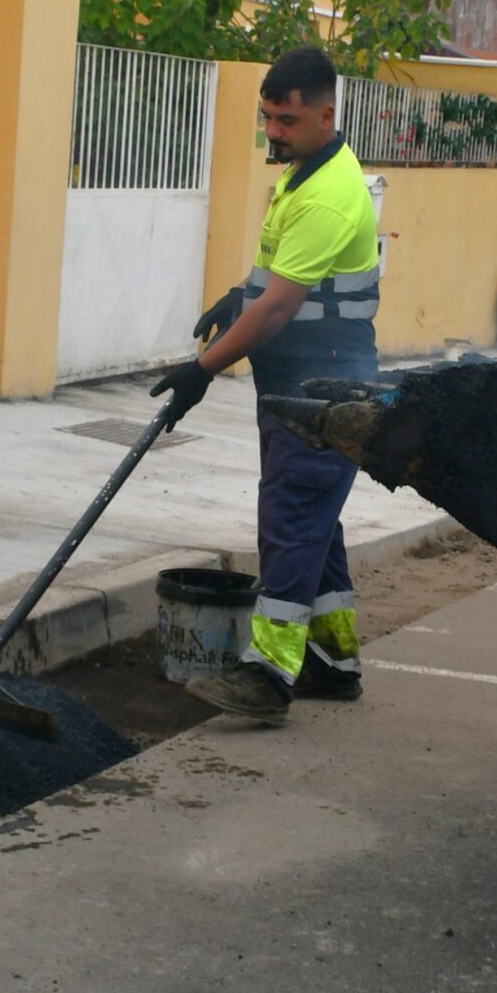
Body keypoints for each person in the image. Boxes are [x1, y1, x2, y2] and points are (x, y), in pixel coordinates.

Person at [150, 45, 381, 725]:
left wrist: (203, 368)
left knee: (291, 517)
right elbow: (276, 282)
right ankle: (333, 662)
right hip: (304, 371)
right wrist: (237, 297)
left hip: (324, 380)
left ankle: (270, 673)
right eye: (267, 118)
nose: (273, 132)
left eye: (286, 119)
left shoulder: (330, 196)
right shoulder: (306, 174)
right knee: (315, 520)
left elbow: (280, 309)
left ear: (325, 113)